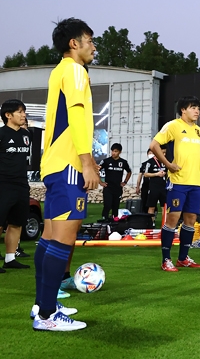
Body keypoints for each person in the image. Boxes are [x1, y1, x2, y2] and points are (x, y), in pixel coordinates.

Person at [33, 18, 99, 331]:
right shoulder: (74, 70)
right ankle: (47, 315)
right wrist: (86, 161)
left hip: (55, 164)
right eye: (90, 40)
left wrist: (86, 160)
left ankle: (43, 304)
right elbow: (76, 115)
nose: (93, 47)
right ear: (74, 43)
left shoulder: (59, 70)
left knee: (49, 237)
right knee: (63, 238)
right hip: (69, 165)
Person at [150, 96, 200, 272]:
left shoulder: (198, 130)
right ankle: (166, 260)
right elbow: (154, 145)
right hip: (178, 182)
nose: (197, 111)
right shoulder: (173, 125)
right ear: (183, 110)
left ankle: (183, 258)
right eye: (193, 107)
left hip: (195, 182)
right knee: (173, 218)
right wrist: (168, 164)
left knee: (191, 220)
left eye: (198, 108)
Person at [0, 100, 32, 272]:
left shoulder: (26, 135)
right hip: (3, 184)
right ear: (8, 115)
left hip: (21, 185)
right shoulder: (1, 134)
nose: (23, 115)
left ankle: (10, 258)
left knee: (16, 222)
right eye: (20, 112)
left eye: (24, 111)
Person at [98, 143, 131, 220]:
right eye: (112, 151)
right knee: (107, 205)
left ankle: (114, 221)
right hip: (108, 187)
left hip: (118, 188)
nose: (113, 153)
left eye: (116, 151)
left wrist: (125, 182)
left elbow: (129, 172)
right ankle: (104, 219)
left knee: (115, 206)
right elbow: (97, 170)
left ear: (120, 152)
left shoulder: (123, 162)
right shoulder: (106, 161)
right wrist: (100, 182)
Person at [142, 145, 167, 224]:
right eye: (162, 153)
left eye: (165, 153)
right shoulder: (150, 162)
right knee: (151, 206)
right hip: (153, 187)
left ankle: (164, 224)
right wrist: (157, 174)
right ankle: (151, 223)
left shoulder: (165, 161)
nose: (164, 154)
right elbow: (145, 174)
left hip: (163, 187)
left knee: (164, 207)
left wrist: (165, 173)